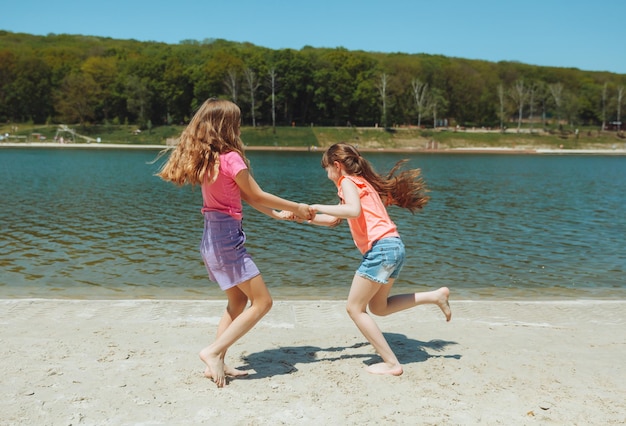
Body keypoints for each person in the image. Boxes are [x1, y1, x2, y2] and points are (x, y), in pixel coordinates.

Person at [157, 98, 311, 387]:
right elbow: (259, 193)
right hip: (226, 240)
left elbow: (248, 197)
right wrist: (298, 206)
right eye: (237, 122)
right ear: (227, 126)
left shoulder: (209, 159)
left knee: (238, 300)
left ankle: (218, 360)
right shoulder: (231, 158)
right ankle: (212, 352)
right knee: (263, 302)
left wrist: (277, 214)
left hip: (211, 238)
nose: (240, 126)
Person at [304, 143, 451, 376]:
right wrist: (306, 217)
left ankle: (392, 363)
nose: (327, 174)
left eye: (326, 169)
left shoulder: (347, 182)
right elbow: (334, 219)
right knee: (379, 307)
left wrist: (313, 206)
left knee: (354, 308)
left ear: (337, 165)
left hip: (382, 249)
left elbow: (352, 211)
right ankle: (435, 296)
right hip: (394, 246)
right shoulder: (362, 183)